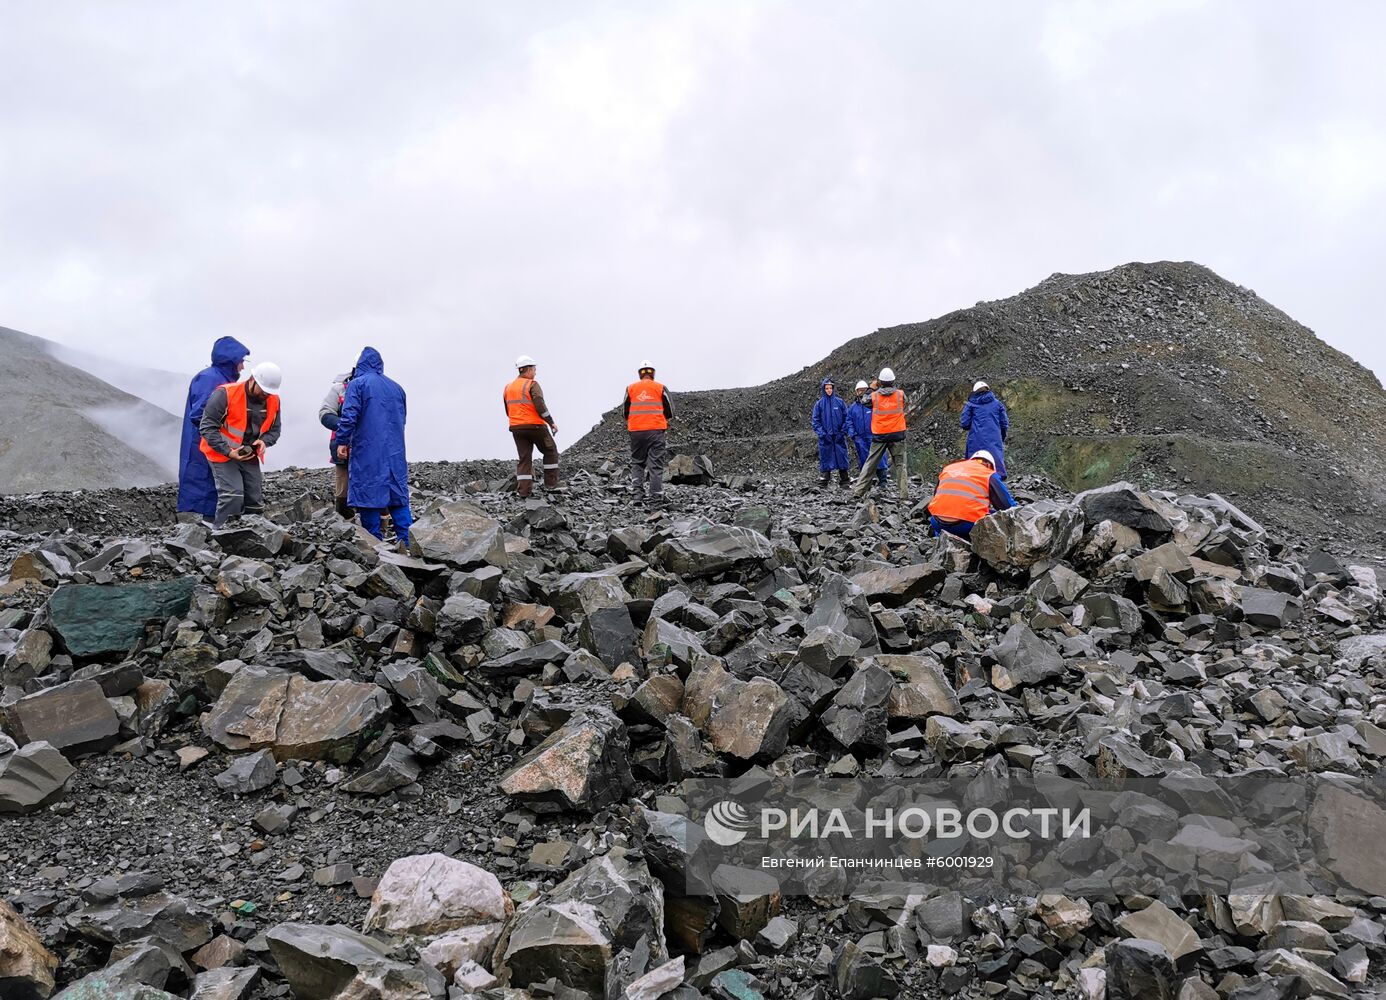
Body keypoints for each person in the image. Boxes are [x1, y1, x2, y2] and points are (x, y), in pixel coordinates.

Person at [335, 347, 413, 547]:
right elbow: (402, 419)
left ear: (358, 365)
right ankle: (408, 544)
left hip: (368, 449)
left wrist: (342, 441)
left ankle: (376, 547)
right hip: (395, 451)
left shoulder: (357, 385)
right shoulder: (397, 388)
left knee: (368, 493)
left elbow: (349, 416)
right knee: (398, 496)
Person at [199, 361, 282, 528]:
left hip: (248, 454)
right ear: (252, 380)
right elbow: (207, 427)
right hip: (221, 453)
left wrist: (264, 442)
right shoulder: (225, 394)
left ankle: (252, 535)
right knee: (233, 495)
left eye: (269, 392)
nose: (266, 395)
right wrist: (228, 451)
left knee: (254, 501)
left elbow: (275, 431)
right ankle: (221, 535)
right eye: (263, 390)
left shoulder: (273, 400)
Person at [177, 337, 250, 519]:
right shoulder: (210, 379)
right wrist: (222, 437)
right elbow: (200, 414)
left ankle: (214, 525)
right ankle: (208, 527)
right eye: (241, 361)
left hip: (215, 444)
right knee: (207, 486)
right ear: (231, 360)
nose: (243, 367)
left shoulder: (221, 378)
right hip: (206, 445)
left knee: (216, 487)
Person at [504, 355, 561, 498]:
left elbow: (508, 409)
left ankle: (523, 492)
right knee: (550, 451)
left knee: (524, 458)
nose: (535, 372)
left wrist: (517, 421)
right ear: (528, 369)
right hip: (535, 426)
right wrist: (551, 422)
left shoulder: (508, 387)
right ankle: (551, 485)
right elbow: (540, 405)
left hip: (516, 427)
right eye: (534, 369)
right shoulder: (532, 384)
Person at [926, 450, 1016, 539]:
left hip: (936, 522)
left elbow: (936, 495)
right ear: (989, 465)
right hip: (965, 526)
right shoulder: (988, 473)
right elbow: (1006, 506)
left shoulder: (948, 468)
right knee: (997, 518)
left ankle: (938, 536)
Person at [851, 367, 910, 500]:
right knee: (900, 465)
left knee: (870, 463)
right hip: (897, 434)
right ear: (893, 381)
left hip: (880, 435)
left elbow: (863, 401)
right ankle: (904, 495)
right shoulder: (900, 394)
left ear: (880, 382)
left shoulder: (874, 396)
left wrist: (871, 388)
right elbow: (904, 403)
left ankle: (858, 493)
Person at [623, 360, 675, 505]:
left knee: (637, 463)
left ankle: (637, 496)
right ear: (653, 373)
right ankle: (656, 498)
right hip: (655, 431)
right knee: (655, 465)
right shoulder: (660, 387)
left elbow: (625, 412)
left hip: (636, 432)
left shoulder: (630, 388)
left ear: (640, 374)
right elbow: (670, 411)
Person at [319, 366, 356, 519]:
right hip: (342, 447)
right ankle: (345, 524)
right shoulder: (339, 390)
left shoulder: (375, 389)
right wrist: (346, 426)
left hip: (364, 446)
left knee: (371, 485)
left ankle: (376, 527)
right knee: (342, 487)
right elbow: (325, 413)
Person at [960, 380, 1010, 479]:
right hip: (994, 439)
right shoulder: (997, 404)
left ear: (974, 391)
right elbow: (1004, 424)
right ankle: (997, 482)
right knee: (996, 467)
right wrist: (1001, 437)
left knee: (974, 469)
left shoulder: (970, 405)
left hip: (975, 440)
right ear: (988, 390)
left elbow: (964, 423)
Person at [847, 380, 888, 489]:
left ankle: (883, 481)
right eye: (859, 390)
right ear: (856, 392)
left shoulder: (874, 404)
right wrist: (853, 435)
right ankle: (866, 484)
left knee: (880, 459)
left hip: (874, 436)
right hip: (860, 438)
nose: (861, 392)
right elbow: (849, 422)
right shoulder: (852, 408)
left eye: (864, 390)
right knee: (864, 460)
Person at [811, 377, 850, 487]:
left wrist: (842, 432)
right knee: (826, 456)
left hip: (838, 436)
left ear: (833, 389)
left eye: (830, 388)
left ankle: (845, 480)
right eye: (827, 388)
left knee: (841, 456)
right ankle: (824, 479)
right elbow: (815, 421)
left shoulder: (840, 402)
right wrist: (822, 434)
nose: (829, 390)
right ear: (823, 389)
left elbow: (847, 418)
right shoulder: (819, 404)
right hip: (826, 437)